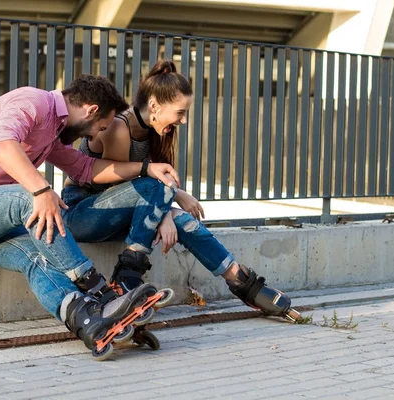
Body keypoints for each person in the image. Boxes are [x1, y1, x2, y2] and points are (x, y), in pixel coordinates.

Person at [0, 75, 181, 359]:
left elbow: (85, 168)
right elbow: (0, 139)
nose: (93, 137)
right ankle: (102, 293)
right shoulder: (33, 101)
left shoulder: (52, 132)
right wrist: (41, 189)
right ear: (91, 110)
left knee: (37, 258)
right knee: (27, 197)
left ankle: (89, 321)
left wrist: (145, 168)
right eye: (100, 128)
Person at [62, 61, 300, 321]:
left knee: (184, 221)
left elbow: (143, 187)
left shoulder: (150, 131)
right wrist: (165, 212)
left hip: (115, 211)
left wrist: (173, 203)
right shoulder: (120, 128)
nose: (184, 120)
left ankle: (242, 282)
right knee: (159, 187)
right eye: (180, 112)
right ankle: (125, 279)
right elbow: (126, 187)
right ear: (154, 106)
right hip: (82, 212)